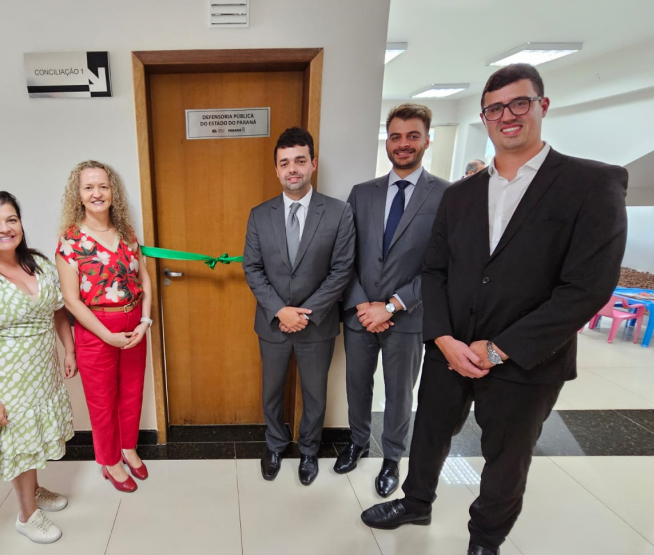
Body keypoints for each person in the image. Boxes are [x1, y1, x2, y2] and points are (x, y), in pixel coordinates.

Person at [361, 64, 628, 555]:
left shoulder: (591, 184)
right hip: (450, 347)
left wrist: (499, 349)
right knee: (429, 433)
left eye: (519, 103)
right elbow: (436, 270)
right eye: (495, 108)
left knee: (506, 456)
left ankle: (485, 539)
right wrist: (443, 338)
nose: (507, 115)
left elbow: (587, 288)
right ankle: (416, 502)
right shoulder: (461, 194)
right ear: (484, 117)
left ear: (542, 106)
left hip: (526, 357)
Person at [337, 104, 450, 498]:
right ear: (387, 141)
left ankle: (392, 457)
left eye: (412, 136)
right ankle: (357, 442)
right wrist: (362, 305)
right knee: (357, 384)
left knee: (400, 392)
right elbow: (345, 256)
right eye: (396, 136)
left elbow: (442, 265)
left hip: (409, 315)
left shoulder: (447, 195)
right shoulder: (362, 193)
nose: (403, 144)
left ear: (427, 140)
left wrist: (391, 306)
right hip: (359, 314)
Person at [0, 191, 76, 544]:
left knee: (33, 436)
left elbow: (58, 310)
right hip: (3, 378)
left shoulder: (39, 264)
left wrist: (69, 349)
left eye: (11, 219)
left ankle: (33, 491)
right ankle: (26, 515)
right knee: (19, 443)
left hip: (41, 371)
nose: (4, 228)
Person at [243, 127, 355, 486]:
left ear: (313, 164)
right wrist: (280, 310)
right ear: (276, 169)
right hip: (272, 323)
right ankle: (275, 445)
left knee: (315, 394)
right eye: (285, 163)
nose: (293, 169)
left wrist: (305, 313)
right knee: (272, 391)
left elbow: (342, 270)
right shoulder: (259, 215)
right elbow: (252, 268)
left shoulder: (339, 213)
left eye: (300, 161)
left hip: (317, 324)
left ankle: (309, 450)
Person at [55, 160, 152, 493]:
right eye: (89, 187)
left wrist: (145, 321)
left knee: (132, 392)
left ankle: (128, 448)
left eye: (103, 186)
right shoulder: (70, 241)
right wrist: (107, 334)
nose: (97, 193)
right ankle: (110, 462)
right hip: (96, 330)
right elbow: (71, 301)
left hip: (134, 324)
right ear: (79, 195)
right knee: (102, 400)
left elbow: (144, 279)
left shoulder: (126, 233)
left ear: (113, 192)